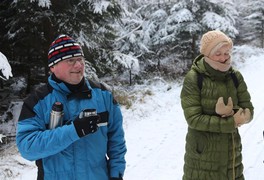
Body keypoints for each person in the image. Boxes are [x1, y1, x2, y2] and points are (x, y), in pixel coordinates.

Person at [16, 34, 127, 180]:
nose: (79, 65)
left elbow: (116, 140)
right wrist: (73, 130)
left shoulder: (103, 95)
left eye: (80, 60)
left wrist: (116, 174)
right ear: (53, 67)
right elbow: (27, 148)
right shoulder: (37, 101)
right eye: (71, 61)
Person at [180, 30, 254, 180]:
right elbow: (193, 118)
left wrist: (243, 115)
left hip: (231, 152)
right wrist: (230, 122)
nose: (223, 58)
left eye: (226, 53)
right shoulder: (194, 78)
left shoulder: (235, 76)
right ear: (207, 53)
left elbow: (248, 109)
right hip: (203, 155)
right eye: (218, 53)